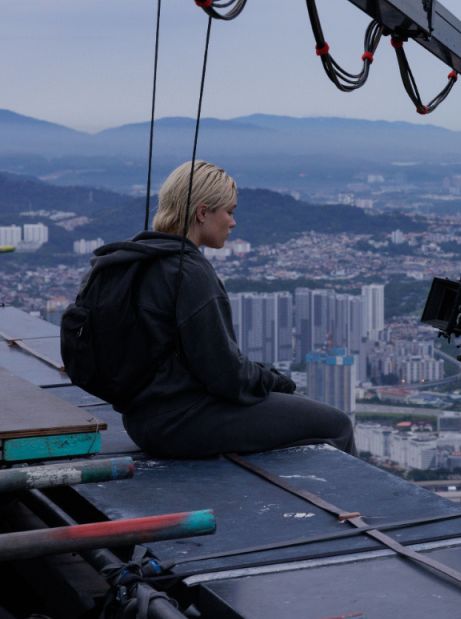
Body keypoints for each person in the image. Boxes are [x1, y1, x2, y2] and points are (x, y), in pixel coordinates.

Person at [92, 160, 354, 458]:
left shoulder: (131, 261)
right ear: (202, 213)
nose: (233, 222)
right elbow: (226, 374)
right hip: (184, 423)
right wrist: (276, 381)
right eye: (229, 212)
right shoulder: (188, 273)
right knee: (337, 424)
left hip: (140, 421)